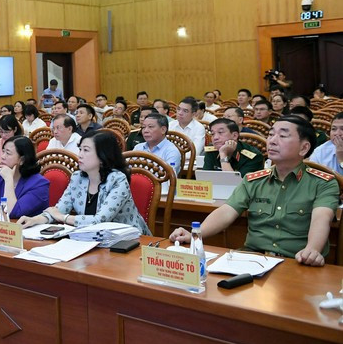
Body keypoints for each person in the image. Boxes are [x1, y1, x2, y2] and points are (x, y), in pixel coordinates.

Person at [171, 116, 339, 266]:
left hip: (296, 261)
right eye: (271, 134)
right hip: (252, 259)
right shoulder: (254, 180)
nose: (272, 141)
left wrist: (312, 250)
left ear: (304, 148)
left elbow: (321, 218)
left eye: (282, 136)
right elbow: (226, 212)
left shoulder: (323, 183)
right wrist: (195, 234)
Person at [18, 130, 150, 234]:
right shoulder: (77, 178)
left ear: (103, 156)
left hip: (126, 242)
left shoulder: (117, 179)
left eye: (86, 150)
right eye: (80, 149)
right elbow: (59, 209)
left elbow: (100, 220)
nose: (80, 154)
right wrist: (35, 220)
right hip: (91, 238)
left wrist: (63, 218)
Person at [0, 136, 49, 218]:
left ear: (22, 160)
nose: (2, 156)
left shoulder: (39, 184)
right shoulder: (1, 176)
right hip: (3, 224)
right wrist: (1, 209)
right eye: (3, 151)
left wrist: (9, 179)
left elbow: (13, 212)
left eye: (8, 153)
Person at [168, 97, 206, 162]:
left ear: (193, 114)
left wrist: (174, 156)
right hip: (169, 161)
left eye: (185, 111)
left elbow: (196, 151)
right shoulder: (170, 125)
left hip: (189, 163)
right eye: (178, 109)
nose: (180, 113)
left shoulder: (199, 128)